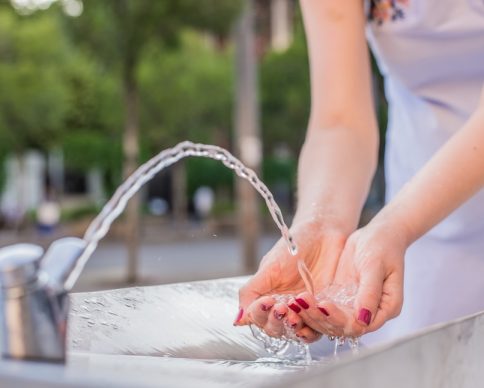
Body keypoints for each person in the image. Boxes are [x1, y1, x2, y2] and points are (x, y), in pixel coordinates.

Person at [234, 0, 484, 345]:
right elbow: (340, 122)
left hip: (412, 216)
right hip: (424, 228)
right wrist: (320, 225)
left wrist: (398, 223)